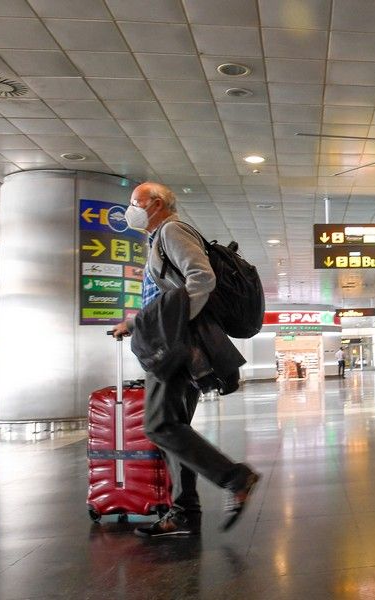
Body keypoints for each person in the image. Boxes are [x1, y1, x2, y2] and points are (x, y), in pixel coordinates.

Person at [112, 182, 260, 538]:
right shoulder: (157, 239)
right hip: (171, 338)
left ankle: (233, 476)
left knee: (159, 425)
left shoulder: (171, 231)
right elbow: (162, 297)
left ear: (156, 203)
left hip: (174, 344)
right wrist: (136, 323)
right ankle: (185, 511)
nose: (130, 208)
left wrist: (171, 326)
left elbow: (201, 278)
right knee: (175, 427)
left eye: (135, 202)